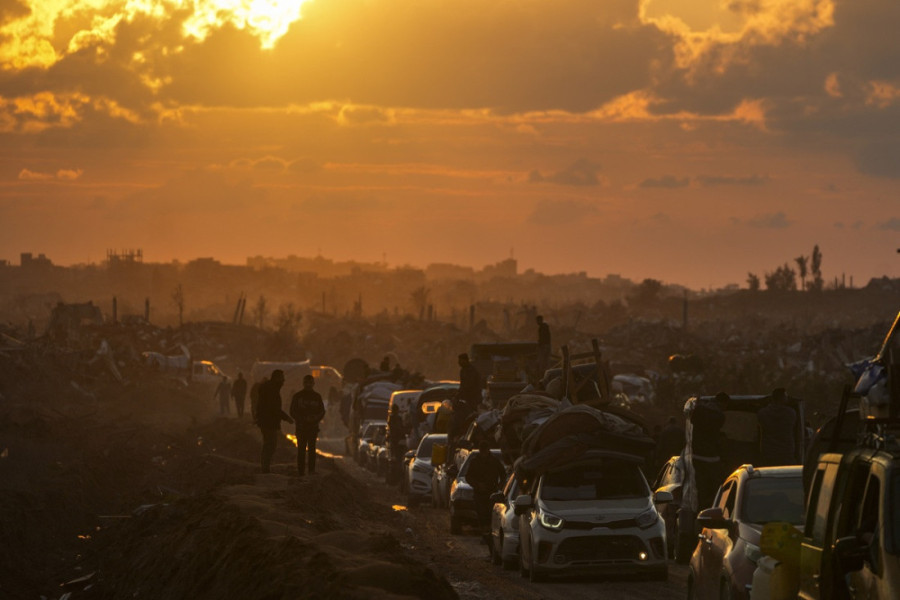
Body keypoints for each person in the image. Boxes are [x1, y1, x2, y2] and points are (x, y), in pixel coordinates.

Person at [465, 439, 506, 543]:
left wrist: (499, 486)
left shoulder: (494, 461)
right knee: (481, 515)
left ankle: (489, 536)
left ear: (488, 450)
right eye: (482, 450)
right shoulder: (475, 462)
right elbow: (468, 477)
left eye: (485, 450)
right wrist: (477, 485)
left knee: (490, 514)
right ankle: (484, 536)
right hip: (479, 493)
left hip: (492, 493)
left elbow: (503, 474)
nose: (483, 453)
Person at [256, 369, 294, 473]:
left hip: (266, 420)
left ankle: (265, 467)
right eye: (282, 378)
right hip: (269, 421)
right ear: (277, 378)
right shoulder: (272, 390)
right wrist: (287, 418)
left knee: (269, 444)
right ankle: (265, 468)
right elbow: (274, 408)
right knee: (270, 444)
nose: (284, 381)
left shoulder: (270, 388)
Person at [290, 374, 326, 476]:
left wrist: (315, 419)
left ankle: (311, 470)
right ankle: (301, 471)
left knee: (311, 450)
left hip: (313, 428)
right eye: (306, 382)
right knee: (301, 450)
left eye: (310, 382)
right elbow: (292, 411)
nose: (308, 384)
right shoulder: (297, 396)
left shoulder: (317, 397)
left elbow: (322, 411)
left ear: (313, 384)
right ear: (303, 383)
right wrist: (301, 419)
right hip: (301, 427)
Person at [757, 388, 797, 466]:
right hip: (786, 453)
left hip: (769, 453)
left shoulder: (762, 413)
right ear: (782, 398)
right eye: (786, 397)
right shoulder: (791, 413)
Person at [450, 353, 481, 442]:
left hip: (473, 398)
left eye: (461, 360)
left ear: (465, 360)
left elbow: (468, 386)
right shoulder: (463, 371)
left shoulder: (471, 371)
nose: (459, 362)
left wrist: (459, 395)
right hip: (467, 398)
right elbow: (462, 385)